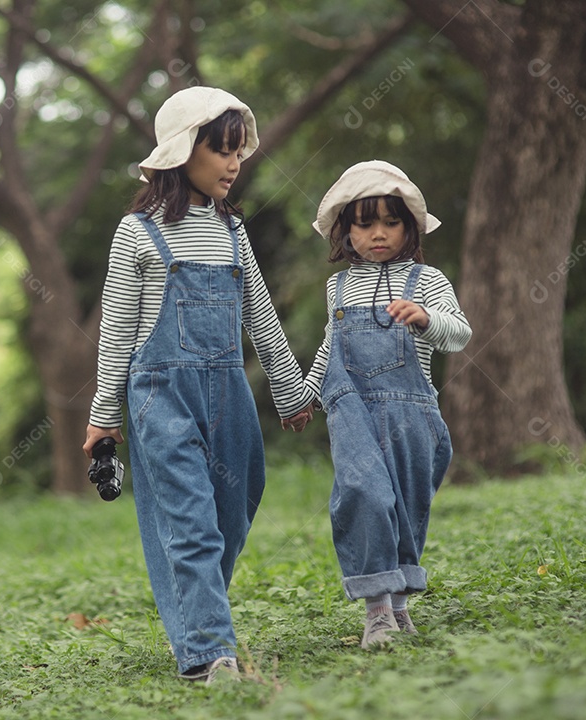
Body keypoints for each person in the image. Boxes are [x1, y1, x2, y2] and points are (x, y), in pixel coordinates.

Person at [83, 86, 312, 684]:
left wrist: (288, 391)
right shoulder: (136, 233)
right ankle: (210, 654)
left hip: (228, 392)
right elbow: (116, 329)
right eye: (224, 151)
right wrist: (105, 416)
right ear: (185, 152)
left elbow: (259, 314)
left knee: (234, 508)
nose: (236, 164)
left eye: (240, 152)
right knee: (190, 521)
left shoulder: (233, 232)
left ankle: (195, 615)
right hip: (160, 394)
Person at [302, 160, 472, 649]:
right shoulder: (337, 287)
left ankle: (399, 605)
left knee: (406, 505)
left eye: (391, 222)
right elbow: (329, 348)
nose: (379, 233)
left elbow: (459, 335)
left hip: (413, 413)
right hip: (352, 410)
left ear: (409, 227)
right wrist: (306, 395)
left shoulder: (428, 280)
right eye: (365, 223)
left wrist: (424, 318)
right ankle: (376, 612)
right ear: (346, 230)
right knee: (364, 494)